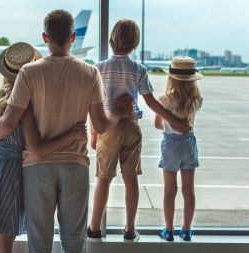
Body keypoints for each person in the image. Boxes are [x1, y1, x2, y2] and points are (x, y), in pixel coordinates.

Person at [0, 9, 130, 253]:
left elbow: (9, 122)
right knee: (74, 242)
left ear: (45, 37)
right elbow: (101, 125)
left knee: (39, 242)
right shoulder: (89, 73)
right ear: (73, 38)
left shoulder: (29, 72)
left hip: (37, 167)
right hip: (75, 164)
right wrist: (119, 112)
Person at [0, 42, 87, 253]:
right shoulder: (26, 107)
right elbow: (38, 149)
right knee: (4, 244)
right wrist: (72, 135)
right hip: (12, 176)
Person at [87, 19, 192, 243]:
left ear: (111, 39)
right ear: (135, 43)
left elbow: (92, 104)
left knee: (103, 179)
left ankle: (94, 227)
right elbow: (152, 103)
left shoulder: (99, 68)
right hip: (131, 127)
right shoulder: (138, 69)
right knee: (131, 178)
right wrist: (177, 122)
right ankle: (130, 229)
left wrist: (94, 133)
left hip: (108, 126)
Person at [155, 56, 203, 242]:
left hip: (170, 145)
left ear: (171, 78)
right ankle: (187, 230)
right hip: (189, 144)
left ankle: (168, 231)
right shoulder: (197, 99)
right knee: (188, 190)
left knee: (170, 190)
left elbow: (158, 125)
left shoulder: (164, 100)